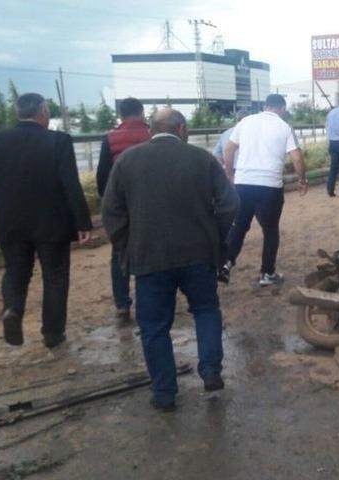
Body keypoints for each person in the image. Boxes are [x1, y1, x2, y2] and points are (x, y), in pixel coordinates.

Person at [102, 108, 239, 412]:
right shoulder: (202, 159)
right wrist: (215, 237)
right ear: (182, 128)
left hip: (150, 258)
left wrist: (128, 245)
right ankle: (211, 370)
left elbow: (110, 211)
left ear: (152, 130)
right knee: (205, 310)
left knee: (153, 326)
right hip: (199, 254)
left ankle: (164, 393)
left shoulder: (127, 161)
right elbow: (230, 204)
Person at [0, 93, 92, 348]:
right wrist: (83, 223)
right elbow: (71, 185)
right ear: (43, 112)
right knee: (56, 276)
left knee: (16, 272)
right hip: (53, 223)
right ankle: (52, 332)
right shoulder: (59, 140)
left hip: (10, 222)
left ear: (18, 113)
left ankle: (13, 310)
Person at [219, 94, 308, 286]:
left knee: (240, 226)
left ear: (265, 106)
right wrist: (302, 179)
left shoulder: (245, 122)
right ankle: (267, 273)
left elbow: (228, 149)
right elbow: (297, 158)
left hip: (243, 184)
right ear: (282, 109)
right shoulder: (284, 127)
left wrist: (230, 173)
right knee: (270, 230)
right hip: (270, 187)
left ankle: (226, 262)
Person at [96, 97, 150, 325]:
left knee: (119, 252)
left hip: (122, 204)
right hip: (151, 203)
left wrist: (110, 204)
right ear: (142, 112)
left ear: (120, 114)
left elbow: (102, 177)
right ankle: (147, 301)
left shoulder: (110, 138)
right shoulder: (151, 135)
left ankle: (121, 304)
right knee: (151, 252)